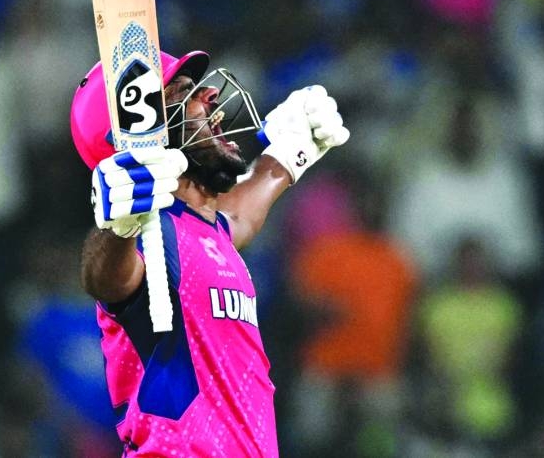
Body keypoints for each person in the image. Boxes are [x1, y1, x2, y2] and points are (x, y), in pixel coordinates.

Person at [70, 48, 349, 457]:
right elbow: (105, 279)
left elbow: (239, 216)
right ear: (142, 130)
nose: (211, 95)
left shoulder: (205, 231)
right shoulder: (149, 233)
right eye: (185, 92)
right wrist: (117, 229)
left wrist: (286, 155)